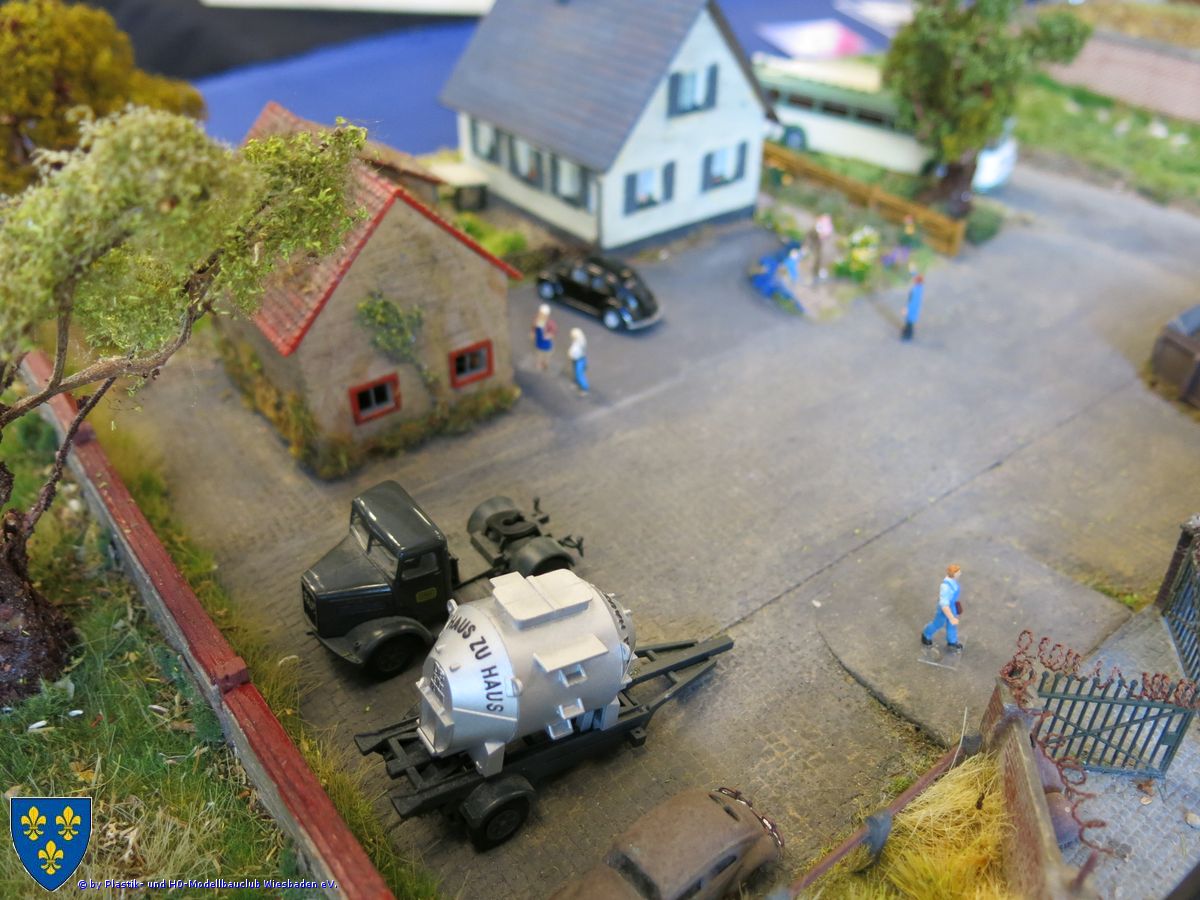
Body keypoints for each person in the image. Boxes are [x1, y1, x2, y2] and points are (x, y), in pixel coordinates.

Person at [921, 564, 963, 650]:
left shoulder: (953, 582)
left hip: (952, 606)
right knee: (938, 623)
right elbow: (944, 605)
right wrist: (951, 618)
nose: (960, 573)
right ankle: (926, 634)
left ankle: (952, 641)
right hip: (944, 609)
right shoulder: (945, 587)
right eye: (958, 572)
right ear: (953, 574)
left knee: (952, 625)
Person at [532, 304, 557, 370]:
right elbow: (534, 328)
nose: (541, 315)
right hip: (539, 342)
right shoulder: (537, 320)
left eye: (543, 314)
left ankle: (545, 363)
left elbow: (553, 332)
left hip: (547, 344)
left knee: (546, 355)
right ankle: (539, 363)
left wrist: (549, 335)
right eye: (540, 314)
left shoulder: (550, 323)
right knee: (539, 354)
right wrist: (533, 333)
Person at [901, 273, 924, 341]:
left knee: (909, 324)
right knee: (909, 322)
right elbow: (916, 276)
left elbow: (912, 302)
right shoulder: (919, 287)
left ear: (917, 281)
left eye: (915, 280)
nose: (913, 280)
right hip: (913, 310)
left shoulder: (916, 290)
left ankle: (908, 336)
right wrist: (912, 270)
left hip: (912, 310)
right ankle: (906, 333)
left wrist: (906, 309)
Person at [567, 327, 589, 395]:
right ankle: (576, 383)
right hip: (575, 359)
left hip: (579, 360)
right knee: (576, 372)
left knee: (579, 374)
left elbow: (579, 352)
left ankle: (585, 388)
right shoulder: (575, 341)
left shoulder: (581, 343)